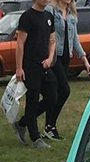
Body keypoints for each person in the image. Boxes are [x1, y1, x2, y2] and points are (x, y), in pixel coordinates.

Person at [12, 0, 56, 148]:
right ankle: (35, 138)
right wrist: (19, 67)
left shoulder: (49, 16)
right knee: (32, 98)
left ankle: (22, 123)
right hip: (30, 66)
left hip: (44, 65)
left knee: (52, 96)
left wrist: (50, 58)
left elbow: (52, 41)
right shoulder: (27, 17)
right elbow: (20, 43)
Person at [44, 0, 88, 141]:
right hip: (54, 57)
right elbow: (47, 35)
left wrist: (84, 59)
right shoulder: (51, 10)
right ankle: (45, 124)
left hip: (65, 57)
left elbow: (75, 38)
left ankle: (46, 125)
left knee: (55, 93)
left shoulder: (71, 14)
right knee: (64, 90)